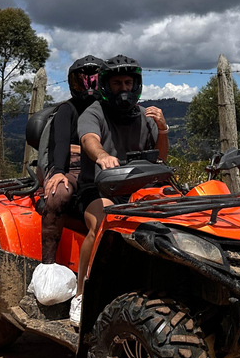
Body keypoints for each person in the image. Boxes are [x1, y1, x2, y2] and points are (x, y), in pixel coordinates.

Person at [70, 55, 169, 326]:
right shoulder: (94, 112)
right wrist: (101, 155)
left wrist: (162, 129)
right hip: (97, 187)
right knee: (102, 223)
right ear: (105, 86)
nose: (123, 88)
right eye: (117, 83)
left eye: (128, 82)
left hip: (138, 190)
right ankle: (81, 294)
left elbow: (161, 160)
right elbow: (89, 139)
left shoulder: (145, 117)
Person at [38, 55, 103, 265]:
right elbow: (61, 143)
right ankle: (47, 264)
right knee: (59, 195)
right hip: (70, 166)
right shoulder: (67, 109)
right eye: (82, 81)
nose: (88, 87)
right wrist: (57, 171)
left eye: (94, 81)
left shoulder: (106, 110)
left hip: (101, 166)